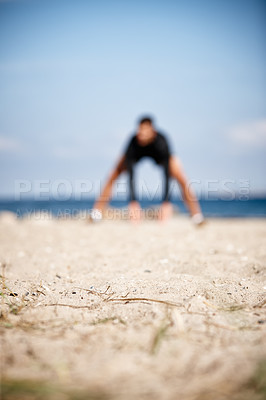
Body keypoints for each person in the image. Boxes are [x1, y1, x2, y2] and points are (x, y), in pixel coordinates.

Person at [92, 116, 204, 225]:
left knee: (181, 176)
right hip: (136, 155)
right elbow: (131, 174)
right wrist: (133, 203)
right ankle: (96, 213)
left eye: (145, 131)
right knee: (113, 174)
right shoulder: (133, 141)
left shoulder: (161, 141)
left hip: (160, 158)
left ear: (153, 131)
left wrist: (166, 203)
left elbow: (166, 174)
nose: (142, 134)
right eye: (140, 131)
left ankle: (196, 215)